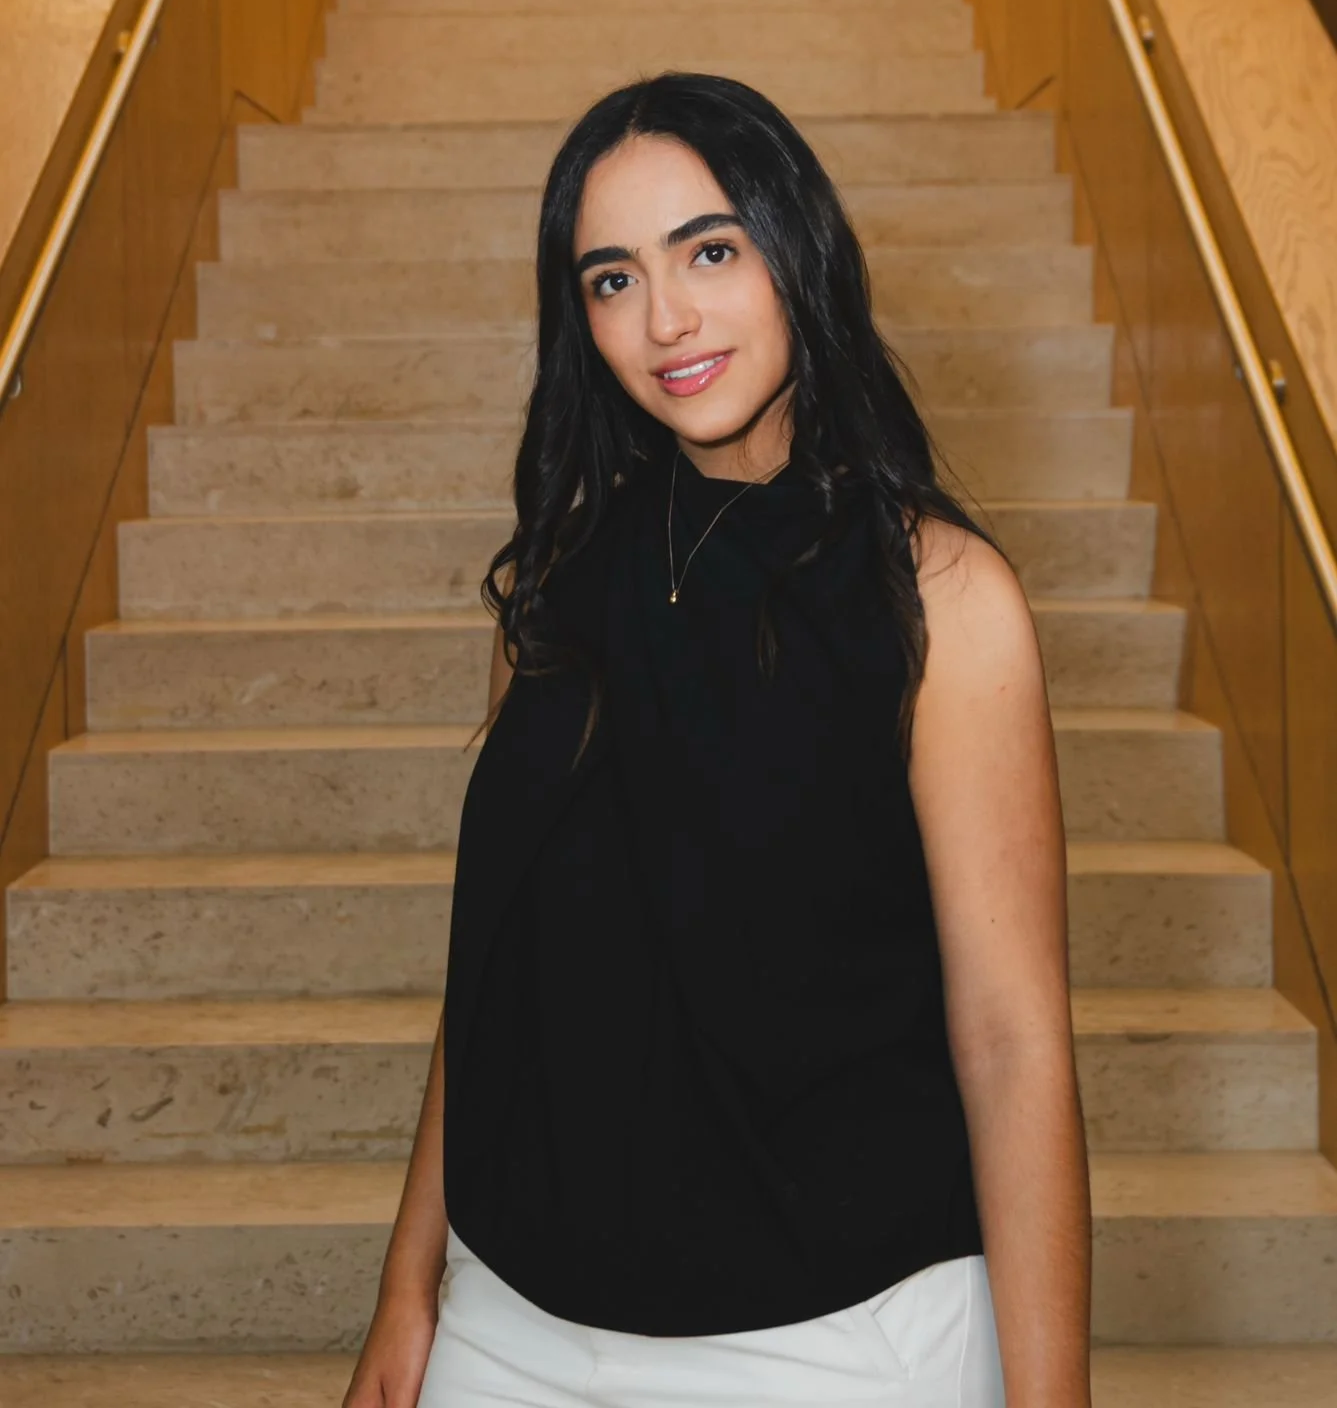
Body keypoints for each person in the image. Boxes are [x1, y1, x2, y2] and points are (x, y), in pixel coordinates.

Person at [343, 72, 1092, 1408]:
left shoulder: (943, 601)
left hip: (836, 1345)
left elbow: (1012, 1037)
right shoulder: (561, 589)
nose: (666, 318)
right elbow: (498, 978)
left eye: (709, 250)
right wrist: (412, 1294)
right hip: (514, 1330)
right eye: (611, 279)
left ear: (797, 251)